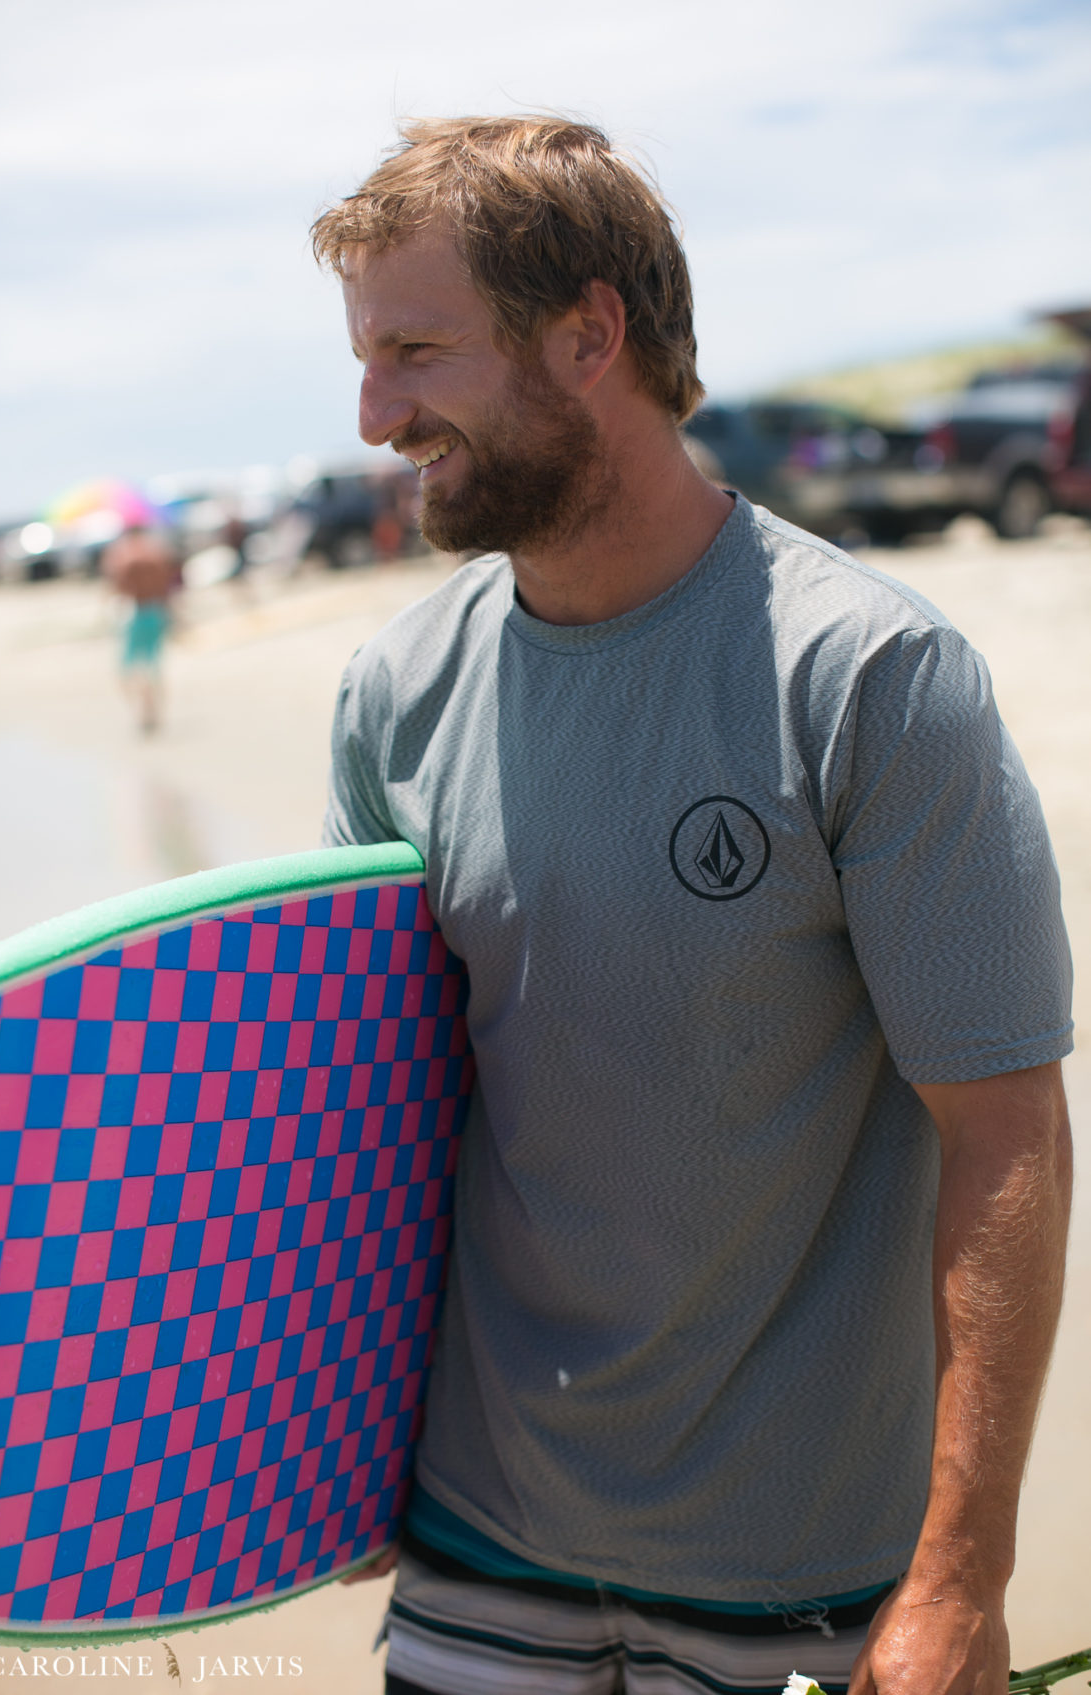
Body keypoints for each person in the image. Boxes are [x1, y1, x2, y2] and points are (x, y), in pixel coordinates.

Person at [311, 117, 1073, 1695]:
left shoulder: (862, 675)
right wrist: (323, 1449)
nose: (376, 414)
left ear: (589, 334)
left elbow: (1005, 1128)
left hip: (799, 1580)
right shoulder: (396, 690)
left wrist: (958, 1580)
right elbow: (367, 1116)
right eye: (365, 359)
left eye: (415, 351)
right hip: (473, 1543)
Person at [101, 525, 180, 734]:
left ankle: (143, 711)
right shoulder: (155, 554)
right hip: (156, 611)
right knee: (154, 664)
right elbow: (168, 584)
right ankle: (155, 712)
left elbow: (117, 586)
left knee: (130, 667)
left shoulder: (124, 556)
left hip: (136, 611)